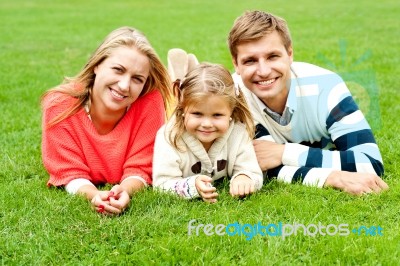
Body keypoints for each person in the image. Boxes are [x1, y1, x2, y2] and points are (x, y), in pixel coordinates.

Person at [227, 10, 388, 195]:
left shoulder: (327, 87)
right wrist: (332, 178)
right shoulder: (234, 98)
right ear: (236, 64)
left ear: (289, 54)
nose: (263, 71)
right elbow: (263, 166)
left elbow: (369, 162)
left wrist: (283, 153)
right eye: (250, 61)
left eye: (273, 56)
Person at [41, 26, 173, 215]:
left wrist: (125, 190)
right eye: (118, 70)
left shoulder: (150, 100)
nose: (124, 85)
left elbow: (142, 166)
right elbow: (67, 170)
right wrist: (93, 195)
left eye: (137, 79)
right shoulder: (60, 104)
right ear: (97, 64)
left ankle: (180, 80)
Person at [152, 63, 263, 203]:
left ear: (231, 112)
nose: (206, 124)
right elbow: (162, 185)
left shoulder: (238, 133)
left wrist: (244, 178)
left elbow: (254, 173)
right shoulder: (169, 136)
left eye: (217, 115)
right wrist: (192, 186)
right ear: (182, 108)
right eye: (197, 114)